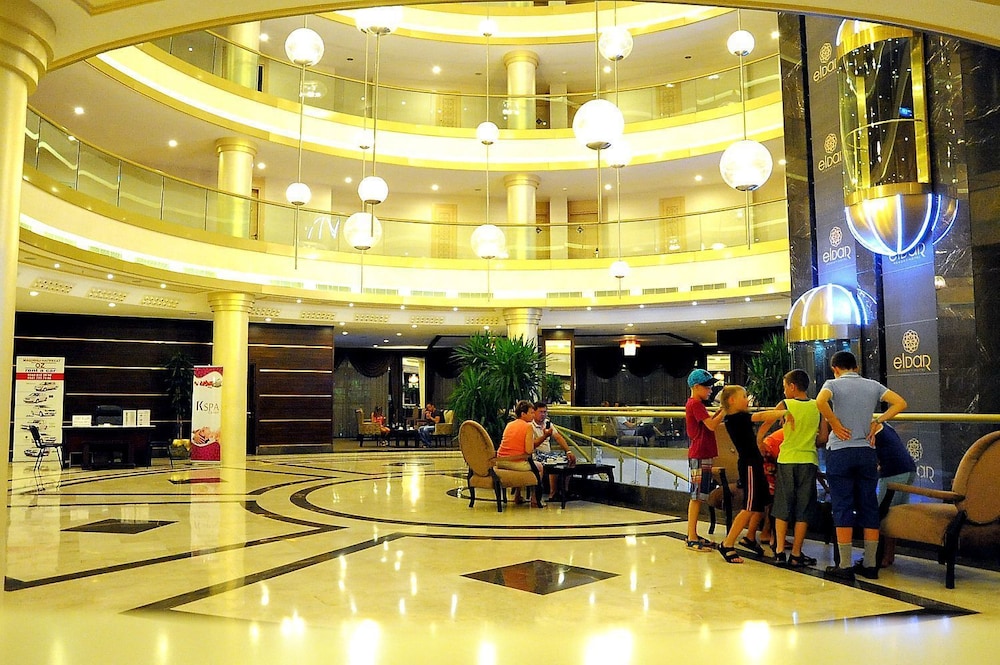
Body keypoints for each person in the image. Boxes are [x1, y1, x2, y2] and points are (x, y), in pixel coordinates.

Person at [816, 351, 907, 581]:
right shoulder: (873, 385)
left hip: (840, 452)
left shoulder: (832, 384)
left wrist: (834, 422)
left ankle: (845, 565)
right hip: (867, 452)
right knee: (869, 506)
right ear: (856, 367)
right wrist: (877, 421)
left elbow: (820, 401)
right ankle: (870, 564)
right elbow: (900, 403)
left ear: (835, 369)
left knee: (842, 506)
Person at [757, 369, 829, 567]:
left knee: (782, 505)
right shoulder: (818, 406)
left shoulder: (786, 404)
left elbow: (766, 424)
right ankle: (796, 553)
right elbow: (823, 437)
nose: (784, 391)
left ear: (792, 386)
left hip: (787, 459)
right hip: (808, 461)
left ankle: (780, 551)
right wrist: (809, 441)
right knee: (803, 508)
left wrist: (760, 441)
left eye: (784, 387)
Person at [715, 385, 792, 564]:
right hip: (749, 465)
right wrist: (785, 412)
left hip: (755, 463)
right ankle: (727, 544)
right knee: (749, 506)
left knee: (760, 503)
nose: (747, 399)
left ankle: (749, 537)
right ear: (732, 400)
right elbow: (762, 416)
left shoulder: (737, 417)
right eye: (743, 396)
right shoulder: (736, 418)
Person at [684, 368, 725, 552]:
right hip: (700, 454)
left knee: (699, 495)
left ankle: (692, 534)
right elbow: (711, 425)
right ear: (696, 387)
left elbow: (709, 422)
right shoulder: (695, 404)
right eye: (707, 387)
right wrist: (725, 409)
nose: (710, 390)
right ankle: (691, 537)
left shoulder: (696, 404)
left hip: (702, 453)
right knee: (697, 496)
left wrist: (721, 411)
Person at [873, 422, 917, 566]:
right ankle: (888, 555)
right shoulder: (882, 424)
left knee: (882, 515)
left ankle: (879, 556)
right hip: (907, 470)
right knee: (893, 515)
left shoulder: (868, 427)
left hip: (894, 472)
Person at [496, 400, 544, 507]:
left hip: (501, 461)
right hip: (515, 462)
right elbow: (529, 451)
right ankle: (535, 499)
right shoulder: (528, 427)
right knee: (539, 467)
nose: (533, 415)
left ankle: (517, 495)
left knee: (522, 460)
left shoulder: (509, 424)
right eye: (531, 413)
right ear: (523, 414)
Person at [530, 401, 577, 499]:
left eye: (545, 412)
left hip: (548, 453)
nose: (543, 414)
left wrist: (568, 451)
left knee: (571, 459)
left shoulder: (547, 423)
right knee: (552, 461)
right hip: (536, 454)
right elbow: (532, 445)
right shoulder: (530, 425)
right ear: (534, 412)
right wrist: (545, 435)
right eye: (540, 412)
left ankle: (565, 490)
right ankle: (553, 492)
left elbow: (558, 437)